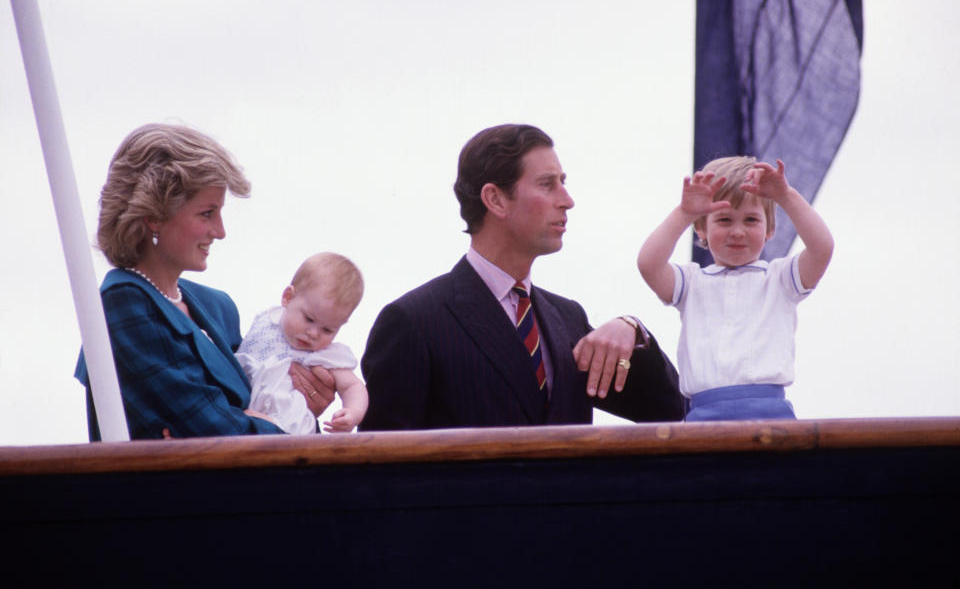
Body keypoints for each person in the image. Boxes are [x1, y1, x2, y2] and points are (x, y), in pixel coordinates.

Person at [359, 123, 683, 430]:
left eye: (563, 182)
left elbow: (670, 409)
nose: (567, 201)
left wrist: (632, 329)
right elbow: (381, 470)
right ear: (495, 199)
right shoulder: (413, 321)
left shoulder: (568, 318)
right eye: (547, 184)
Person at [74, 123, 335, 440]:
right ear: (154, 214)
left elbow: (246, 422)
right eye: (207, 213)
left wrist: (297, 408)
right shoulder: (122, 303)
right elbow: (216, 432)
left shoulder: (218, 308)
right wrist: (266, 423)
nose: (221, 231)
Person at [636, 156, 834, 421]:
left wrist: (785, 196)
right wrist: (684, 213)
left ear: (769, 228)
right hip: (703, 416)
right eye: (725, 220)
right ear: (702, 228)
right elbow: (648, 264)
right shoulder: (691, 283)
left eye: (751, 220)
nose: (738, 232)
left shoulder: (781, 279)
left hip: (771, 414)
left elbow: (822, 248)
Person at [236, 252, 369, 434]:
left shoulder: (325, 355)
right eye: (308, 318)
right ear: (288, 297)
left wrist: (353, 413)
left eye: (328, 330)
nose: (314, 333)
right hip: (240, 409)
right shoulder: (266, 321)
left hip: (290, 428)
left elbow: (353, 386)